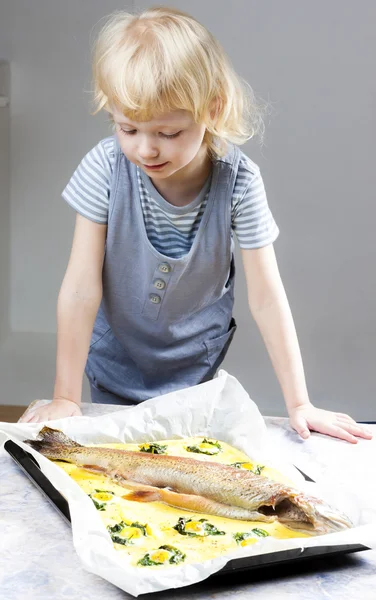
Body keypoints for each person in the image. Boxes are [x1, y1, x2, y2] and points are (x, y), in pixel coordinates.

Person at [20, 6, 372, 444]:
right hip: (114, 362)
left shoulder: (240, 182)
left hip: (195, 374)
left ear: (212, 109)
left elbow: (266, 297)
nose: (146, 149)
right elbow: (79, 287)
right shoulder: (103, 168)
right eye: (127, 128)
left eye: (167, 133)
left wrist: (300, 403)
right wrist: (66, 397)